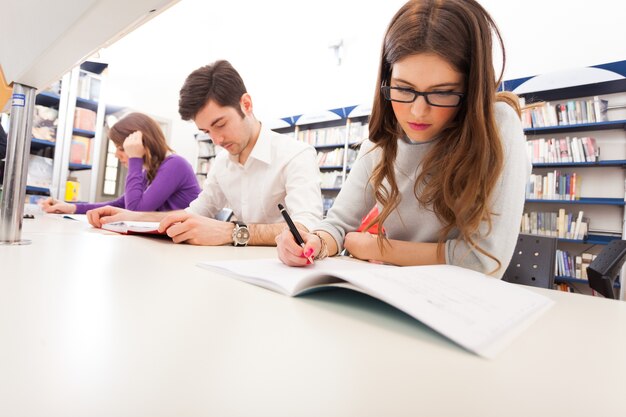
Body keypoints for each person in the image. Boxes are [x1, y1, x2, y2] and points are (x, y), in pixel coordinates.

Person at [276, 0, 531, 277]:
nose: (418, 112)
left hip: (461, 305)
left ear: (470, 89)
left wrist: (377, 248)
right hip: (393, 293)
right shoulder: (383, 140)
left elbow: (484, 261)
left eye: (443, 92)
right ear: (387, 80)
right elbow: (337, 225)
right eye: (403, 89)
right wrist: (314, 241)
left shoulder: (498, 124)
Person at [86, 60, 323, 246]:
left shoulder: (296, 155)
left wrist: (234, 231)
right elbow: (193, 213)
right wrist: (127, 216)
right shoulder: (222, 163)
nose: (216, 140)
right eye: (206, 131)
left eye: (220, 124)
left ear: (246, 105)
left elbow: (309, 227)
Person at [40, 112, 201, 214]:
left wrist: (135, 160)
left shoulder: (175, 165)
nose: (117, 154)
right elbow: (121, 204)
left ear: (141, 143)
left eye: (121, 148)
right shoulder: (152, 171)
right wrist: (72, 207)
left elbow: (135, 211)